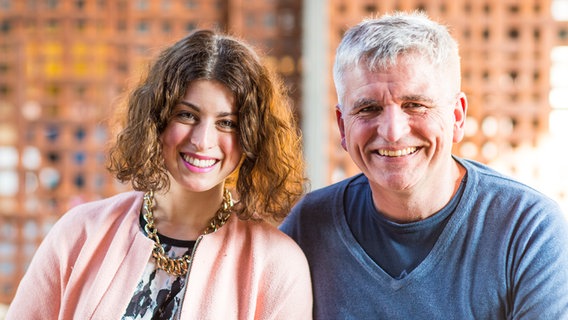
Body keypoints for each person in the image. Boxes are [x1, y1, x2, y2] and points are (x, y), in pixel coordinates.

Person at [280, 11, 568, 319]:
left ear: (457, 117)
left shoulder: (527, 229)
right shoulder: (309, 226)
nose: (392, 131)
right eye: (369, 108)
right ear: (342, 127)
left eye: (415, 105)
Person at [8, 29, 312, 319]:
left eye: (227, 123)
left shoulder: (277, 264)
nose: (202, 140)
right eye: (187, 115)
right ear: (157, 119)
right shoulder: (79, 234)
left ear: (253, 136)